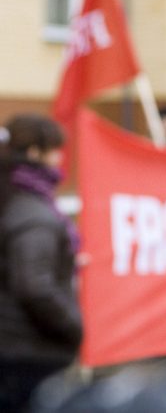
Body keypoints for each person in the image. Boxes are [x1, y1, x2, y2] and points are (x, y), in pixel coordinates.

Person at [0, 114, 82, 412]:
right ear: (35, 153)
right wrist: (75, 327)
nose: (59, 159)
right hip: (29, 350)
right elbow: (34, 287)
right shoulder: (33, 214)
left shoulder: (11, 199)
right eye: (55, 150)